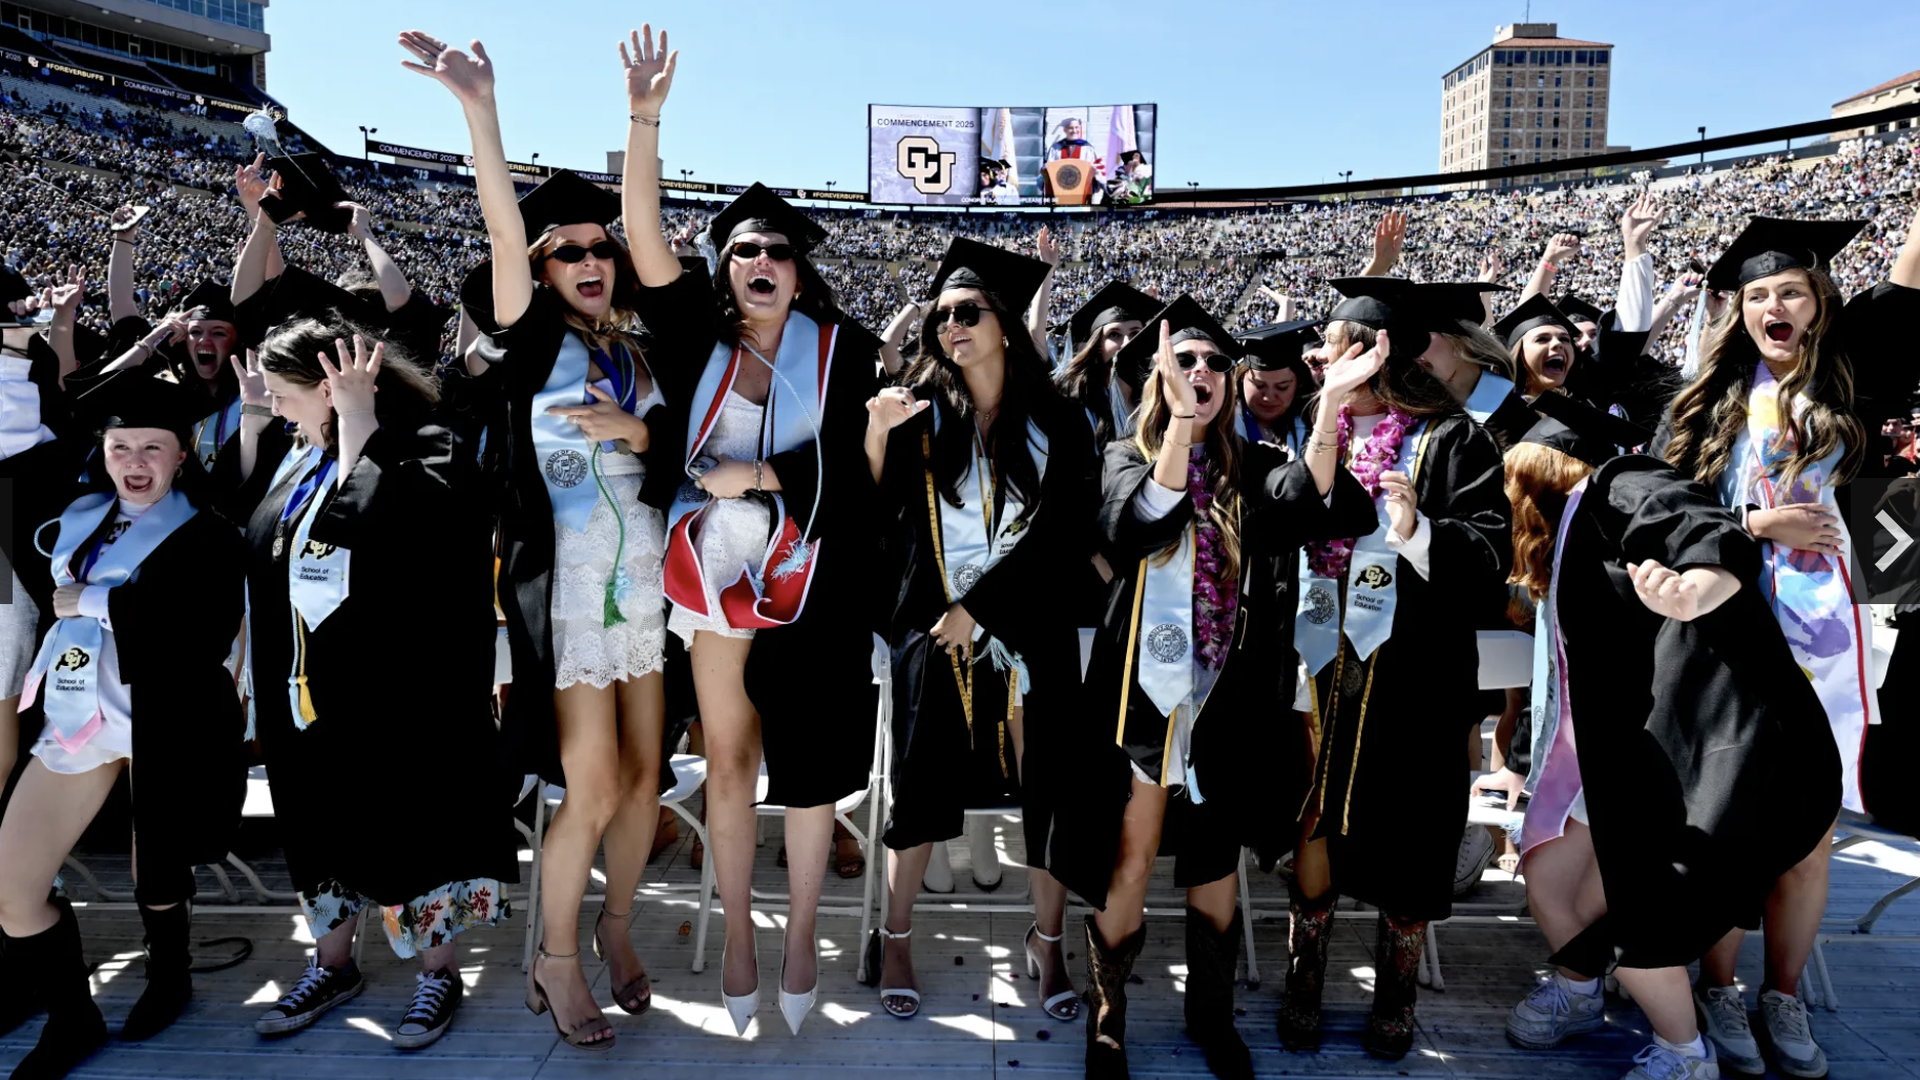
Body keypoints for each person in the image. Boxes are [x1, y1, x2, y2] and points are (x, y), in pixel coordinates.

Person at [400, 29, 683, 1052]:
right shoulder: (530, 341)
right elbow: (494, 221)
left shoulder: (643, 349)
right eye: (567, 250)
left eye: (599, 246)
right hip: (567, 586)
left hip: (643, 576)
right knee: (595, 780)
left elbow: (671, 450)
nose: (591, 259)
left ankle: (614, 929)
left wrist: (640, 431)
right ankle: (554, 959)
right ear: (538, 268)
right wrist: (480, 112)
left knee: (649, 778)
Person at [611, 26, 882, 1037]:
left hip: (815, 573)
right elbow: (644, 242)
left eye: (776, 251)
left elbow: (858, 469)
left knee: (806, 771)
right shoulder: (697, 340)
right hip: (716, 581)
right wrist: (646, 118)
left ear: (801, 274)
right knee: (728, 761)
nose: (760, 260)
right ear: (725, 271)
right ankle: (735, 936)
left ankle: (802, 931)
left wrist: (762, 475)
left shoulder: (843, 352)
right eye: (742, 250)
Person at [1046, 295, 1381, 1080]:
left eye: (1213, 364)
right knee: (1130, 856)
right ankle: (1108, 1018)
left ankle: (1211, 1013)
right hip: (1144, 697)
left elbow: (1319, 506)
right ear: (1155, 381)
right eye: (1183, 361)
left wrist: (1330, 402)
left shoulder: (1256, 465)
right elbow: (1137, 528)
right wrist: (1181, 430)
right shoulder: (1125, 456)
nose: (1201, 371)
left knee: (1215, 857)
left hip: (1232, 696)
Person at [1494, 395, 1839, 1080]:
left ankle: (1685, 1052)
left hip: (1704, 745)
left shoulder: (1619, 482)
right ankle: (1579, 988)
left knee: (1648, 903)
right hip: (1627, 748)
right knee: (1549, 875)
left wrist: (1697, 589)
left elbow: (1702, 525)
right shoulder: (1570, 525)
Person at [1660, 210, 1920, 1079]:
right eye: (1759, 293)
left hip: (1830, 633)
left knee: (1811, 835)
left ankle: (1785, 992)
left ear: (1817, 304)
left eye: (1793, 292)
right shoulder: (1708, 404)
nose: (1776, 306)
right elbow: (1663, 516)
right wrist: (1757, 520)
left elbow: (1907, 294)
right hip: (1731, 628)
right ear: (1739, 309)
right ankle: (1721, 986)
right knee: (1734, 817)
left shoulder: (1856, 389)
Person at [236, 321, 514, 1051]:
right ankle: (333, 964)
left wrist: (360, 424)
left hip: (402, 694)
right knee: (318, 821)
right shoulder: (300, 456)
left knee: (414, 823)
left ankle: (437, 973)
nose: (273, 401)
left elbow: (390, 523)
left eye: (284, 390)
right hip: (306, 689)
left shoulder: (428, 442)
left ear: (331, 389)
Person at [863, 238, 1094, 1024]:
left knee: (1050, 776)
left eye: (968, 313)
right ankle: (895, 931)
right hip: (934, 618)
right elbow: (873, 519)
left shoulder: (1059, 419)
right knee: (922, 760)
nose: (951, 327)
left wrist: (983, 608)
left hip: (1026, 617)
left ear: (1003, 324)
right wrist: (873, 434)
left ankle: (1049, 938)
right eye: (942, 316)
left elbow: (1065, 535)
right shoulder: (923, 415)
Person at [1283, 277, 1513, 1060]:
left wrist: (1418, 531)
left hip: (1415, 673)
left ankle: (1396, 991)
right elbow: (1290, 524)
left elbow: (1492, 552)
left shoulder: (1453, 439)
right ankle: (1304, 977)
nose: (1323, 355)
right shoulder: (1317, 436)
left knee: (1412, 829)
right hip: (1321, 663)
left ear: (1381, 353)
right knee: (1315, 809)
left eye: (1339, 343)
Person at [0, 372, 245, 1079]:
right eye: (120, 447)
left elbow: (204, 630)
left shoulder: (207, 530)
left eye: (152, 448)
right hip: (78, 718)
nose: (135, 464)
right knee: (11, 884)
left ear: (182, 453)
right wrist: (16, 357)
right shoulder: (75, 515)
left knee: (156, 868)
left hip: (165, 719)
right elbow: (14, 454)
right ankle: (71, 1012)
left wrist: (97, 604)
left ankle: (169, 976)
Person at [1054, 281, 1154, 447]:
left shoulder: (1156, 397)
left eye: (1135, 333)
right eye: (1114, 335)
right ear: (1097, 346)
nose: (1127, 343)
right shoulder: (1075, 403)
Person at [1235, 318, 1319, 455]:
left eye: (1282, 387)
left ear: (1298, 384)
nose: (1268, 397)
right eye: (1259, 385)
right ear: (1241, 379)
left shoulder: (1316, 425)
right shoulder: (1222, 423)